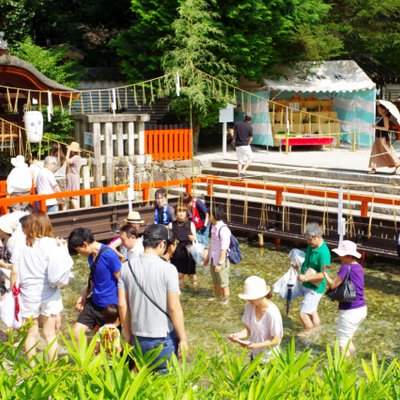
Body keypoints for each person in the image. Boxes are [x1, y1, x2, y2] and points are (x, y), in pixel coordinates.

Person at [118, 224, 188, 373]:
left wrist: (128, 335)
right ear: (162, 244)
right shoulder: (169, 269)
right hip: (162, 338)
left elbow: (123, 306)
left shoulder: (126, 267)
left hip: (138, 337)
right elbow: (174, 308)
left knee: (143, 385)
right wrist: (183, 339)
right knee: (166, 388)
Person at [10, 211, 73, 365]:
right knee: (50, 334)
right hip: (49, 293)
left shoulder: (20, 243)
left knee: (30, 335)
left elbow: (14, 271)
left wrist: (13, 293)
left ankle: (32, 367)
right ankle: (51, 368)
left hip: (28, 294)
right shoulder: (52, 243)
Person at [68, 228, 121, 343]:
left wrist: (123, 308)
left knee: (107, 343)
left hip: (110, 307)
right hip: (94, 303)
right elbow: (94, 279)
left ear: (85, 244)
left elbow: (122, 281)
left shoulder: (109, 255)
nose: (78, 254)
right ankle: (88, 357)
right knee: (76, 333)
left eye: (78, 250)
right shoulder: (90, 256)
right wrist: (83, 294)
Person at [322, 241, 367, 356]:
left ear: (347, 255)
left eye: (341, 255)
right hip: (361, 308)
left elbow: (333, 285)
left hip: (350, 310)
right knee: (348, 339)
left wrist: (324, 273)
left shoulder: (345, 267)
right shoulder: (359, 267)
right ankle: (353, 361)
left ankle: (343, 369)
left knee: (342, 343)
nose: (339, 257)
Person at [228, 276, 283, 363]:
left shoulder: (272, 313)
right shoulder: (249, 306)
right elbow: (248, 330)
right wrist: (237, 336)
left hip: (271, 359)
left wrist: (255, 345)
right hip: (255, 356)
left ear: (262, 295)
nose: (249, 300)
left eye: (252, 298)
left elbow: (276, 340)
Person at [295, 222, 330, 331]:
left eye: (310, 239)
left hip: (315, 288)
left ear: (318, 237)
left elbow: (324, 275)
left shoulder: (324, 253)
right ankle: (316, 330)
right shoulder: (311, 245)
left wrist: (305, 278)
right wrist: (298, 267)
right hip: (308, 283)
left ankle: (308, 334)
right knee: (312, 311)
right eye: (307, 239)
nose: (308, 242)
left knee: (303, 314)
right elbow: (307, 262)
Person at [204, 204, 231, 303]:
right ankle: (217, 297)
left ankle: (226, 301)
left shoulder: (223, 230)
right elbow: (212, 243)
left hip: (221, 261)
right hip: (213, 258)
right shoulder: (213, 226)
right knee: (215, 283)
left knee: (224, 284)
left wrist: (219, 263)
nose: (207, 217)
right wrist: (207, 258)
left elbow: (224, 249)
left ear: (213, 216)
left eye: (208, 215)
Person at [168, 204, 197, 286]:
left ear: (186, 213)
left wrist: (193, 238)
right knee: (179, 275)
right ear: (176, 213)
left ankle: (195, 291)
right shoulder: (171, 225)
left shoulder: (190, 224)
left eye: (183, 211)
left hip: (188, 252)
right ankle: (181, 291)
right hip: (176, 252)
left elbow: (195, 238)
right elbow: (169, 239)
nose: (181, 213)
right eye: (179, 211)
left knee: (192, 275)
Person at [369, 104, 400, 174]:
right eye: (378, 110)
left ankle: (397, 164)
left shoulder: (385, 117)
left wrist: (376, 127)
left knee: (387, 152)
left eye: (380, 109)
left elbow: (386, 128)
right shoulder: (382, 117)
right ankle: (373, 168)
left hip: (383, 138)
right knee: (375, 152)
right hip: (378, 137)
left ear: (384, 110)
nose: (379, 111)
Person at [180, 192, 210, 262]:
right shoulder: (189, 207)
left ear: (190, 201)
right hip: (196, 225)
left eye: (187, 204)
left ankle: (205, 261)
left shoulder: (198, 202)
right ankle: (199, 259)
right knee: (197, 241)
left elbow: (207, 214)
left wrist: (205, 225)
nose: (186, 206)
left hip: (204, 224)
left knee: (204, 243)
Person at [50, 143, 67, 211]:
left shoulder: (52, 160)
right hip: (62, 179)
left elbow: (51, 170)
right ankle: (65, 216)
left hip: (55, 180)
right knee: (63, 201)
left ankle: (56, 216)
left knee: (56, 201)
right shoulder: (64, 159)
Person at [66, 141, 82, 209]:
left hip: (73, 177)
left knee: (73, 197)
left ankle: (78, 211)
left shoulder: (75, 157)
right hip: (74, 177)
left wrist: (68, 151)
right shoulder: (78, 157)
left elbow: (67, 161)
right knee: (73, 196)